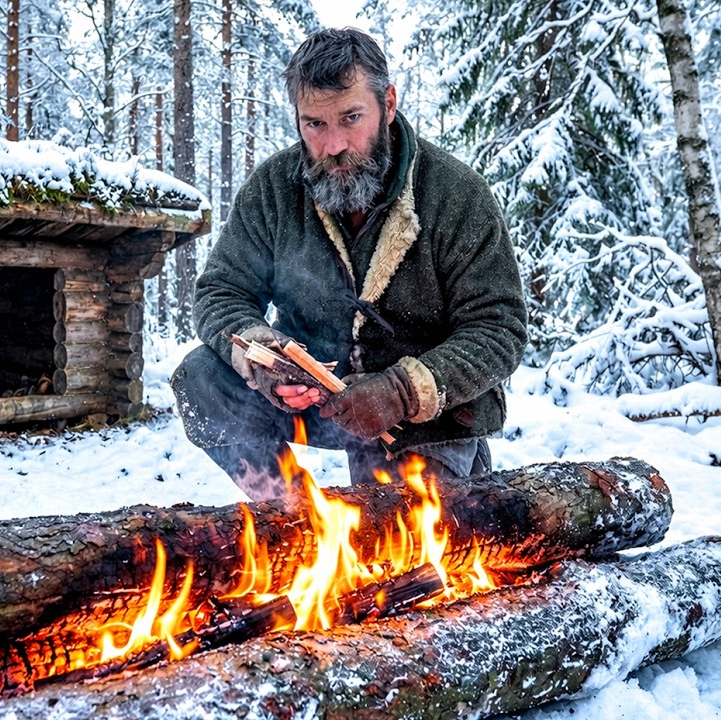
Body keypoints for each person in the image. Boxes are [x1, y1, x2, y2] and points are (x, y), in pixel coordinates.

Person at [170, 27, 528, 502]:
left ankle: (451, 470)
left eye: (351, 118)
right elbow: (222, 292)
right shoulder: (274, 190)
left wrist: (401, 391)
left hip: (425, 414)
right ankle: (297, 517)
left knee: (405, 549)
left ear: (389, 104)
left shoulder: (456, 194)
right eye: (314, 124)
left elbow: (498, 329)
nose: (333, 144)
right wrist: (268, 360)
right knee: (202, 378)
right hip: (315, 399)